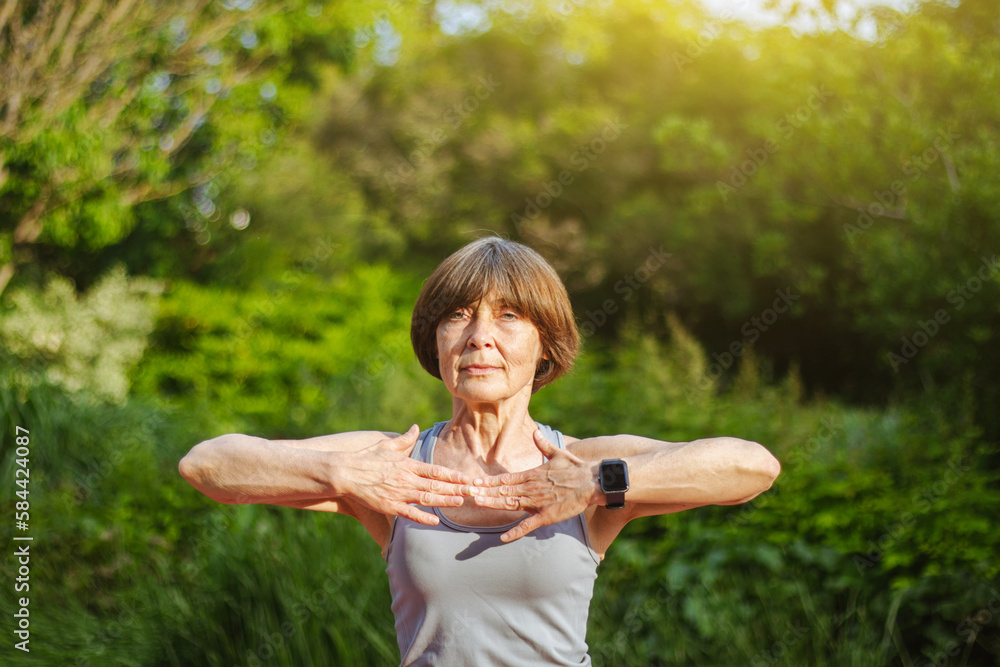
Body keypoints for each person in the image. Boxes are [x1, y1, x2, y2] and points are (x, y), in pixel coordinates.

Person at [178, 236, 781, 666]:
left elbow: (752, 466)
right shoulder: (391, 465)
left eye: (510, 316)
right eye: (458, 316)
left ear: (545, 345)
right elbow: (207, 466)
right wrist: (340, 472)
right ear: (434, 340)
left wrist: (599, 483)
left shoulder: (578, 465)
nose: (479, 337)